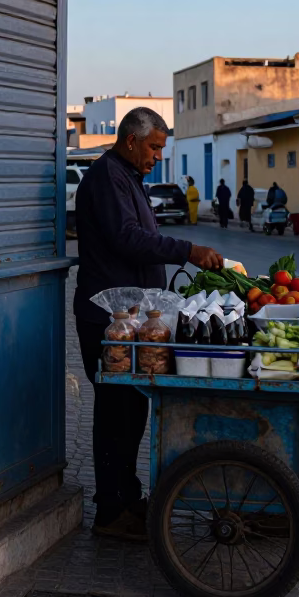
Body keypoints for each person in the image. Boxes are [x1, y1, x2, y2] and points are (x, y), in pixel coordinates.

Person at [74, 108, 224, 539]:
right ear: (130, 141)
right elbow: (127, 238)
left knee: (132, 410)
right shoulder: (107, 177)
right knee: (115, 412)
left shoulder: (127, 177)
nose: (159, 155)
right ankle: (109, 512)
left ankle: (126, 497)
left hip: (132, 320)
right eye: (155, 147)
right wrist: (187, 250)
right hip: (108, 323)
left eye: (161, 147)